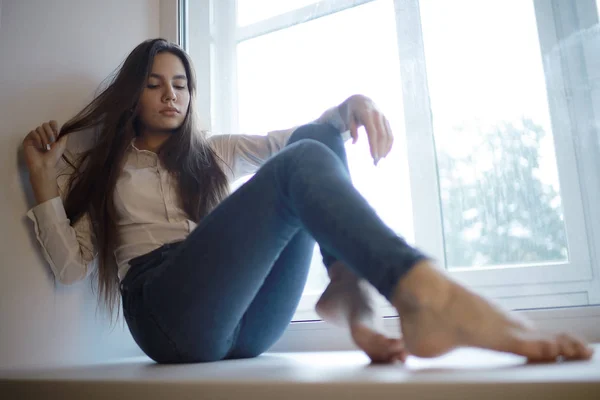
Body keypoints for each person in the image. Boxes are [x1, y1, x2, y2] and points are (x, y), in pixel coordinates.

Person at [22, 38, 593, 365]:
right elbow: (72, 267)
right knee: (298, 160)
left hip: (246, 325)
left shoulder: (211, 154)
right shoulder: (104, 170)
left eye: (180, 83)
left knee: (311, 141)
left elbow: (295, 141)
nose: (170, 94)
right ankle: (420, 291)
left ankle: (349, 289)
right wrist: (44, 181)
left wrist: (349, 106)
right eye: (154, 83)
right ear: (132, 92)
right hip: (169, 315)